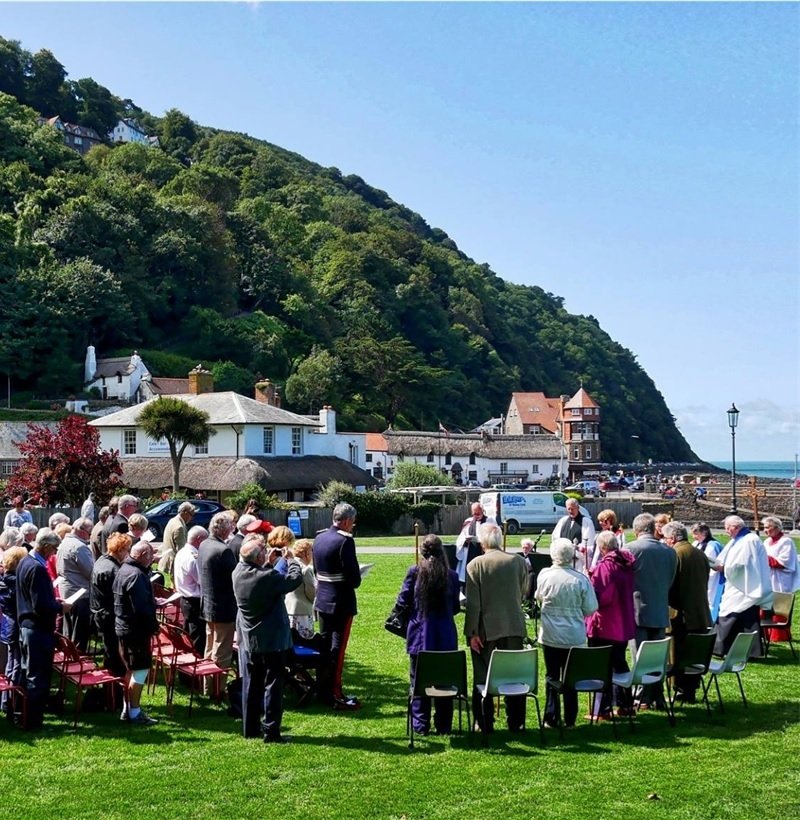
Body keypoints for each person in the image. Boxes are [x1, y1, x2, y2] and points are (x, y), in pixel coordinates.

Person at [232, 533, 302, 743]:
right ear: (257, 557)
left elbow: (262, 580)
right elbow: (293, 580)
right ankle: (271, 731)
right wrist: (290, 560)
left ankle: (250, 727)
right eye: (262, 551)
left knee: (251, 684)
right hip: (271, 641)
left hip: (250, 639)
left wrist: (267, 562)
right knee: (273, 684)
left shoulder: (237, 571)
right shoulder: (267, 577)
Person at [465, 522, 529, 733]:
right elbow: (523, 591)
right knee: (514, 676)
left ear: (482, 542)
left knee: (483, 676)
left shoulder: (476, 565)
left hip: (486, 630)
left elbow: (473, 604)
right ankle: (516, 721)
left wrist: (472, 633)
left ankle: (484, 721)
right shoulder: (518, 562)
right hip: (513, 626)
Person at [395, 534, 460, 735]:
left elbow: (402, 601)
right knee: (445, 681)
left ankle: (420, 724)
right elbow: (456, 607)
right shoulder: (451, 576)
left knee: (418, 681)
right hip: (445, 636)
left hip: (420, 635)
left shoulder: (414, 572)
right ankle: (444, 725)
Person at [536, 537, 598, 729]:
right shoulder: (580, 579)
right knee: (571, 678)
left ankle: (551, 716)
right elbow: (591, 607)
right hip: (574, 636)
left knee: (552, 676)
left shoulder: (544, 575)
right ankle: (570, 718)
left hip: (551, 635)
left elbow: (538, 598)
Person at [16, 530, 72, 729]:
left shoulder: (25, 561)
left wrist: (52, 600)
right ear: (47, 546)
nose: (54, 552)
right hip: (37, 629)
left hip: (26, 626)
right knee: (37, 677)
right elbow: (40, 605)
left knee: (26, 672)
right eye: (54, 548)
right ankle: (33, 721)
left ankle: (21, 714)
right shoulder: (37, 568)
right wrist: (60, 607)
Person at [312, 502, 362, 711]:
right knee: (337, 650)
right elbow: (354, 579)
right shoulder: (345, 542)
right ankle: (335, 693)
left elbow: (316, 570)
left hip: (322, 599)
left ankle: (323, 689)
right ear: (348, 520)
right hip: (340, 601)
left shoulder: (319, 537)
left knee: (325, 647)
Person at [626, 512, 677, 709]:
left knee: (639, 657)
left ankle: (641, 697)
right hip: (660, 609)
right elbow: (670, 579)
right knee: (657, 658)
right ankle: (657, 696)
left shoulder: (631, 549)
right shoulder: (669, 551)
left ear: (637, 530)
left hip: (637, 611)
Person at [585, 530, 636, 718]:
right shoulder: (625, 563)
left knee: (601, 667)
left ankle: (602, 709)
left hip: (606, 624)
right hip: (622, 622)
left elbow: (601, 597)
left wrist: (590, 583)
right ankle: (626, 706)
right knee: (620, 664)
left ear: (602, 547)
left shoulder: (606, 566)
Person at [663, 521, 712, 703]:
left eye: (667, 539)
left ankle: (679, 689)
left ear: (673, 538)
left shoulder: (675, 554)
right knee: (693, 655)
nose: (666, 542)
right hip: (699, 612)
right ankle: (690, 690)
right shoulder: (700, 553)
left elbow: (671, 585)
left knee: (676, 655)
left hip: (679, 614)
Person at [712, 515, 773, 658]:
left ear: (737, 527)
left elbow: (744, 564)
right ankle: (726, 648)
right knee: (735, 615)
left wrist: (724, 568)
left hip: (745, 585)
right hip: (736, 584)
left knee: (735, 615)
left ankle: (734, 649)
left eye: (728, 528)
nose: (726, 531)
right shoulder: (737, 540)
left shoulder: (750, 540)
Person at [114, 539, 159, 725]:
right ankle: (134, 712)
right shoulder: (136, 575)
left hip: (123, 628)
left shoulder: (123, 569)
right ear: (141, 556)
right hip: (135, 630)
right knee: (140, 671)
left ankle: (127, 708)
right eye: (150, 556)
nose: (152, 560)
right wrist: (154, 627)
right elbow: (141, 608)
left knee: (130, 669)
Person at [198, 512, 237, 695]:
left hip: (208, 606)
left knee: (210, 647)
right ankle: (217, 691)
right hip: (223, 608)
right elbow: (236, 577)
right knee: (222, 651)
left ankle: (207, 687)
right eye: (231, 526)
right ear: (224, 529)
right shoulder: (224, 550)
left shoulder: (204, 544)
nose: (232, 529)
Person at [90, 532, 131, 678]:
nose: (128, 553)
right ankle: (114, 691)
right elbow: (118, 597)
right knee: (115, 656)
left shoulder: (101, 560)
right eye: (127, 549)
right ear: (119, 550)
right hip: (109, 617)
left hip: (100, 614)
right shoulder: (113, 570)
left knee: (110, 653)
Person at [55, 517, 95, 652]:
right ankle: (78, 659)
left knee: (68, 627)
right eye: (89, 533)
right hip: (79, 593)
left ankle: (68, 654)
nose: (89, 536)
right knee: (79, 630)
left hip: (66, 590)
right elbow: (91, 572)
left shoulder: (64, 542)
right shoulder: (79, 547)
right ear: (81, 530)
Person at [0, 546, 27, 716]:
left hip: (7, 625)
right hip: (14, 626)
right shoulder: (15, 583)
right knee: (16, 664)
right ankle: (11, 702)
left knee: (11, 663)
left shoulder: (3, 579)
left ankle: (5, 701)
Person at [173, 525, 208, 654]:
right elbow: (201, 580)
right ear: (199, 539)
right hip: (194, 601)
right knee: (196, 637)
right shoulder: (193, 557)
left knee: (189, 633)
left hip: (185, 599)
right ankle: (193, 668)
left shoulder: (182, 552)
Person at [691, 523, 726, 622]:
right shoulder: (695, 544)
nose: (694, 537)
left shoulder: (712, 545)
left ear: (704, 532)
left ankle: (712, 621)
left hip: (713, 578)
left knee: (711, 600)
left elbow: (713, 563)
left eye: (696, 533)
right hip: (700, 577)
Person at [552, 497, 596, 573]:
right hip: (564, 562)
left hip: (578, 563)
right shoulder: (563, 521)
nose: (570, 511)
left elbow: (588, 544)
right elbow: (555, 538)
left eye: (572, 509)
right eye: (568, 509)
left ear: (578, 508)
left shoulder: (586, 522)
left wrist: (577, 549)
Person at [285, 538, 316, 640]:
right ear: (306, 553)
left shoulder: (287, 565)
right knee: (304, 642)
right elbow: (311, 593)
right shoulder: (306, 569)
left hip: (288, 608)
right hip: (302, 611)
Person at [761, 516, 799, 593]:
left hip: (781, 580)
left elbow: (783, 563)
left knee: (780, 603)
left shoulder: (786, 542)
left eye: (767, 527)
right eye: (764, 528)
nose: (765, 530)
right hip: (768, 579)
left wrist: (761, 556)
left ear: (777, 528)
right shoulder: (766, 542)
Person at [159, 501, 196, 577]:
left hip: (168, 559)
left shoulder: (173, 520)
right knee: (177, 587)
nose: (192, 518)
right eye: (191, 514)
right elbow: (181, 550)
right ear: (185, 512)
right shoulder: (179, 527)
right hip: (174, 563)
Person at [455, 502, 487, 590]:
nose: (476, 516)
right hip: (470, 551)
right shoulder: (468, 522)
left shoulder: (489, 521)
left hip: (484, 551)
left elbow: (494, 537)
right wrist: (465, 540)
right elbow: (460, 538)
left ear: (483, 511)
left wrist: (482, 540)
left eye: (478, 514)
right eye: (474, 514)